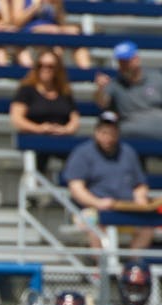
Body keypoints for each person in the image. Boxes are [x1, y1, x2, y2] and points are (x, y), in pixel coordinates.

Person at [61, 110, 153, 252]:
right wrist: (98, 203)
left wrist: (140, 198)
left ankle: (132, 267)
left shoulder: (128, 152)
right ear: (96, 132)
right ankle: (101, 270)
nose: (108, 138)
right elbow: (76, 188)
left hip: (124, 208)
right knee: (95, 225)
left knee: (147, 226)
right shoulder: (82, 153)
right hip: (90, 209)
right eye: (104, 132)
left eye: (112, 133)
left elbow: (139, 184)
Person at [9, 50, 79, 176]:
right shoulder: (27, 90)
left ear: (57, 69)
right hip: (34, 140)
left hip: (61, 139)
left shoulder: (64, 92)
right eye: (41, 65)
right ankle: (34, 191)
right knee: (39, 156)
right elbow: (17, 119)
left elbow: (74, 118)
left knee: (80, 156)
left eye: (50, 66)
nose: (45, 69)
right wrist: (39, 129)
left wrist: (66, 130)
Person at [94, 41, 162, 143]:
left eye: (126, 61)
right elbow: (102, 103)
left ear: (137, 60)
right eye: (121, 62)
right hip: (130, 132)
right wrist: (99, 89)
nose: (124, 65)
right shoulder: (115, 84)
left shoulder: (156, 78)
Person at [10, 0, 88, 68]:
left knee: (76, 35)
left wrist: (56, 7)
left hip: (54, 31)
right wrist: (36, 6)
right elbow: (17, 22)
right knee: (52, 39)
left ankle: (86, 75)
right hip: (31, 31)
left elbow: (61, 22)